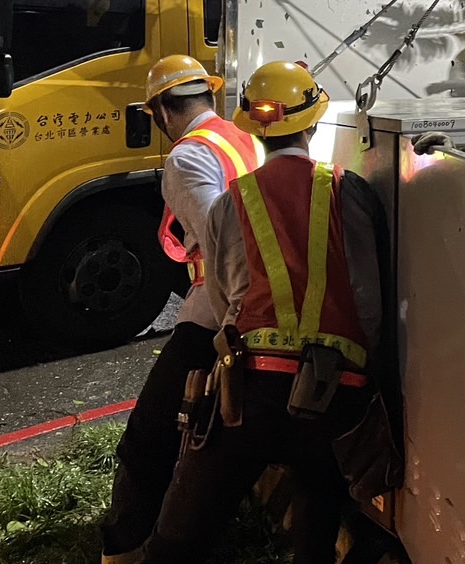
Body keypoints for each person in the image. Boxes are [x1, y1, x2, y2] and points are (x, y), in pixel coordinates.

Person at [138, 61, 388, 564]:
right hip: (335, 390)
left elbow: (230, 292)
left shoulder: (234, 201)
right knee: (317, 511)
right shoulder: (350, 189)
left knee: (183, 529)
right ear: (314, 124)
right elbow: (369, 299)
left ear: (252, 128)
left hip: (250, 391)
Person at [100, 55, 262, 564]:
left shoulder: (188, 157)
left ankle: (125, 547)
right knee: (207, 434)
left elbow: (224, 246)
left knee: (147, 439)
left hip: (219, 316)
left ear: (161, 111)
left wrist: (231, 327)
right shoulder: (243, 139)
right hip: (258, 310)